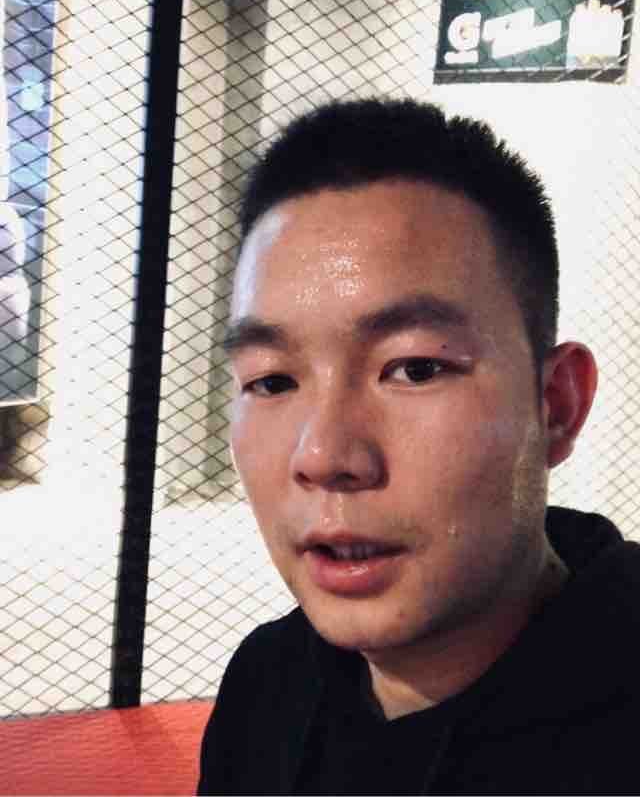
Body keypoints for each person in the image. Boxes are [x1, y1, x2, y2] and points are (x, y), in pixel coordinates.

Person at [197, 97, 640, 795]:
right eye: (273, 380)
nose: (323, 456)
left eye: (415, 369)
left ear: (555, 405)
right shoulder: (267, 681)